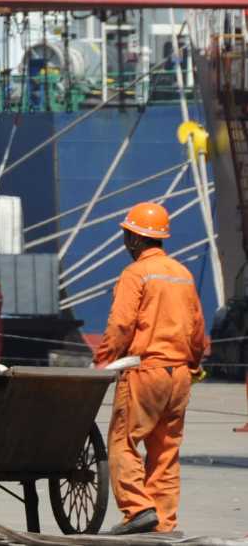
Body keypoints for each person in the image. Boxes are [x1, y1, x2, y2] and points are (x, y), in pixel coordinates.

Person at [93, 202, 209, 535]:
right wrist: (195, 365)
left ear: (134, 239)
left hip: (145, 372)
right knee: (165, 452)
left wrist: (103, 360)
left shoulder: (136, 274)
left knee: (123, 444)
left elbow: (120, 325)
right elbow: (198, 332)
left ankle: (139, 509)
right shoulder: (182, 274)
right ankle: (163, 522)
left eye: (127, 236)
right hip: (180, 376)